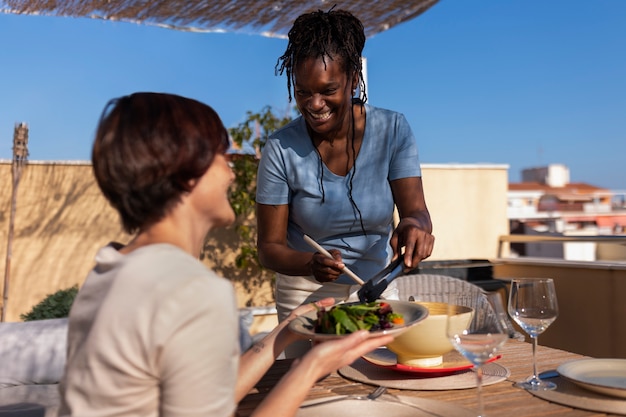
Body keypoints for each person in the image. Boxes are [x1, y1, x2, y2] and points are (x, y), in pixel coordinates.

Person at [58, 92, 393, 417]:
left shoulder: (112, 268)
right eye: (220, 155)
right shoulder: (190, 291)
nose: (232, 172)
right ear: (186, 174)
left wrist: (288, 330)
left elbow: (204, 395)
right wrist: (312, 366)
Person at [256, 9, 435, 331]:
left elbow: (417, 212)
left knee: (378, 377)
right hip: (305, 294)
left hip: (376, 288)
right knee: (312, 381)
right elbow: (269, 249)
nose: (314, 103)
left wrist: (415, 226)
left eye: (327, 90)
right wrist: (309, 264)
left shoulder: (393, 130)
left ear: (354, 78)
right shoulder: (280, 148)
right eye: (303, 92)